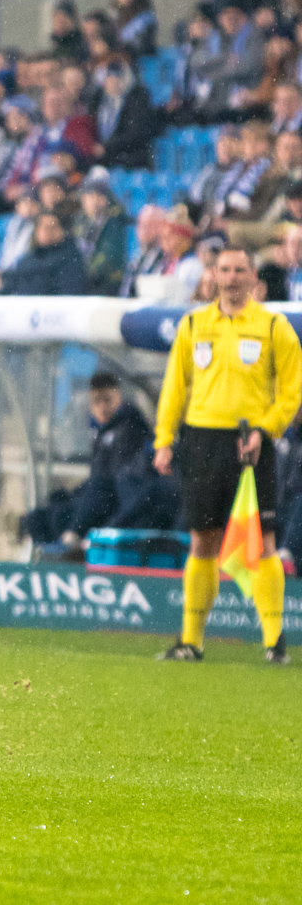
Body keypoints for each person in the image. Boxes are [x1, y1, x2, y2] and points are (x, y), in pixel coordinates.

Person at [155, 248, 302, 665]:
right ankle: (191, 641)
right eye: (225, 269)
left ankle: (275, 642)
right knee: (203, 540)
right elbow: (174, 386)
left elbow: (293, 390)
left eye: (241, 269)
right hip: (202, 442)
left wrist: (266, 429)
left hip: (252, 443)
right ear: (213, 276)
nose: (232, 277)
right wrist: (164, 439)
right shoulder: (193, 324)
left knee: (264, 542)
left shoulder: (275, 327)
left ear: (254, 277)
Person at [20, 373, 155, 548]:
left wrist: (80, 518)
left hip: (116, 505)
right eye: (97, 402)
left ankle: (69, 542)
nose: (102, 407)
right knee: (48, 511)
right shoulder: (100, 432)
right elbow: (96, 480)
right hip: (97, 500)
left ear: (119, 397)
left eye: (108, 400)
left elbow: (111, 483)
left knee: (64, 515)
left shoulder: (130, 428)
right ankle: (41, 550)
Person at [0, 210, 86, 296]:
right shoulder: (28, 259)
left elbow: (68, 293)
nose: (48, 232)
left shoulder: (70, 258)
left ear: (61, 231)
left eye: (53, 227)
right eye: (44, 227)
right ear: (36, 231)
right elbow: (13, 284)